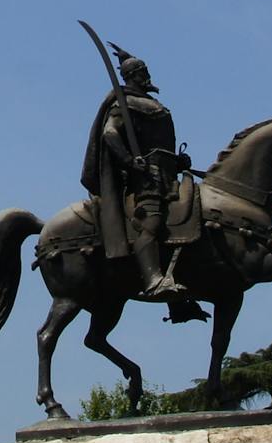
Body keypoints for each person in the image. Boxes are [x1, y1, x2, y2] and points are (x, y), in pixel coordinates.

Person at [81, 43, 192, 300]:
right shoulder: (124, 103)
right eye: (142, 72)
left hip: (167, 177)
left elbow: (157, 145)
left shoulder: (153, 104)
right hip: (145, 180)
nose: (147, 76)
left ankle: (181, 296)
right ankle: (153, 280)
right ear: (133, 76)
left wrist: (178, 162)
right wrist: (131, 161)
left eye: (146, 71)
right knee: (152, 224)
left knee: (189, 220)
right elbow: (110, 134)